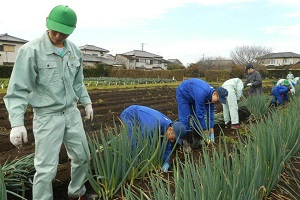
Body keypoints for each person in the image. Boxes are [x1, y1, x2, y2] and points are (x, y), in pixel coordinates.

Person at [3, 5, 94, 200]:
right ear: (47, 22)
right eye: (55, 31)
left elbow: (78, 82)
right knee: (46, 168)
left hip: (71, 113)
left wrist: (86, 102)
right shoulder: (31, 51)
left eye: (64, 33)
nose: (58, 36)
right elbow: (18, 89)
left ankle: (77, 193)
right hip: (47, 117)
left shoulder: (75, 51)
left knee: (83, 157)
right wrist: (17, 124)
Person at [120, 105, 187, 172]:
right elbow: (141, 142)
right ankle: (130, 165)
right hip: (130, 114)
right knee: (132, 141)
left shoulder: (168, 127)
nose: (172, 141)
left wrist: (166, 162)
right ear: (170, 129)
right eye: (173, 138)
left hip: (143, 120)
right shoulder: (153, 127)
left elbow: (166, 147)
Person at [176, 78, 228, 144]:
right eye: (218, 100)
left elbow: (210, 114)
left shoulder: (211, 98)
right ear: (215, 93)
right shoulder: (202, 93)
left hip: (194, 96)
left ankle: (196, 139)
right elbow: (199, 114)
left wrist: (211, 130)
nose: (218, 102)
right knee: (186, 117)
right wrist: (205, 131)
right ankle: (185, 141)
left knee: (196, 118)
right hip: (183, 93)